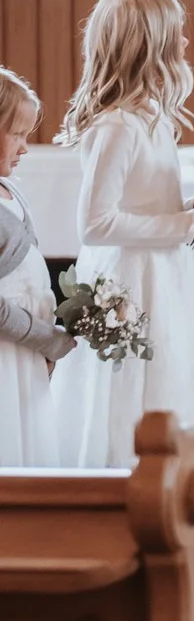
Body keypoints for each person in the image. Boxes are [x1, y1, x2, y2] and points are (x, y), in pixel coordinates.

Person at [40, 0, 194, 468]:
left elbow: (143, 202)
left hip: (161, 274)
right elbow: (95, 224)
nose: (185, 43)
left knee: (167, 378)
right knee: (126, 392)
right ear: (153, 45)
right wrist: (187, 225)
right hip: (130, 284)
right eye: (178, 34)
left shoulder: (152, 119)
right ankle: (120, 485)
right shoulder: (117, 125)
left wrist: (189, 205)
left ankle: (170, 488)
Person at [0, 68, 75, 463]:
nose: (25, 147)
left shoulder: (12, 190)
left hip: (26, 353)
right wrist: (46, 338)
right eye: (17, 134)